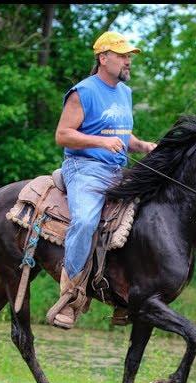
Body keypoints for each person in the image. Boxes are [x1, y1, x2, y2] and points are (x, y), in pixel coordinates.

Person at [48, 31, 157, 329]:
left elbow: (121, 135)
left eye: (129, 56)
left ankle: (123, 297)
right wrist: (99, 143)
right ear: (103, 58)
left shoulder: (125, 92)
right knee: (84, 221)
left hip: (115, 171)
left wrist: (143, 145)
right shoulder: (83, 92)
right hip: (83, 168)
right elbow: (63, 135)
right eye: (122, 56)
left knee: (143, 220)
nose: (128, 61)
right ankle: (69, 298)